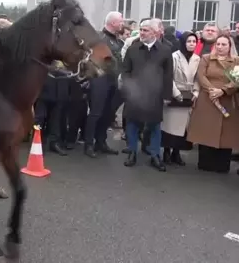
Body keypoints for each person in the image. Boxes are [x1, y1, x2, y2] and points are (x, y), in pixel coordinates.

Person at [121, 19, 172, 171]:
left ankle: (155, 156)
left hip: (155, 95)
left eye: (145, 30)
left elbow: (168, 75)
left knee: (155, 125)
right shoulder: (133, 49)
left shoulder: (165, 50)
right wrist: (128, 90)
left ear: (155, 33)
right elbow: (125, 71)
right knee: (132, 124)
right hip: (135, 94)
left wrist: (167, 95)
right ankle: (132, 152)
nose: (142, 33)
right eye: (141, 30)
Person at [187, 35, 239, 173]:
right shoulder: (206, 58)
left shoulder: (235, 61)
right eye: (218, 44)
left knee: (225, 134)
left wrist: (223, 90)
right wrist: (211, 90)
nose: (220, 47)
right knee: (206, 129)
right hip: (207, 99)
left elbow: (236, 80)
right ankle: (205, 162)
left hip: (226, 99)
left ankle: (221, 164)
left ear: (229, 46)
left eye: (224, 45)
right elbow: (201, 75)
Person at [82, 11, 124, 158]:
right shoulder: (99, 38)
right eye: (120, 21)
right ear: (113, 23)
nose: (122, 24)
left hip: (113, 81)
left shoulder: (118, 41)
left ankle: (101, 141)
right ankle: (88, 144)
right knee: (95, 113)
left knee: (108, 114)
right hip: (99, 80)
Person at [160, 31, 199, 165]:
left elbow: (198, 78)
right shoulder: (174, 56)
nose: (192, 44)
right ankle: (166, 152)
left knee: (183, 128)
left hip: (189, 95)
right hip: (175, 93)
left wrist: (196, 92)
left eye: (194, 41)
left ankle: (176, 153)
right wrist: (176, 93)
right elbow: (169, 77)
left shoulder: (197, 59)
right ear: (183, 42)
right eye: (189, 41)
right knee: (170, 126)